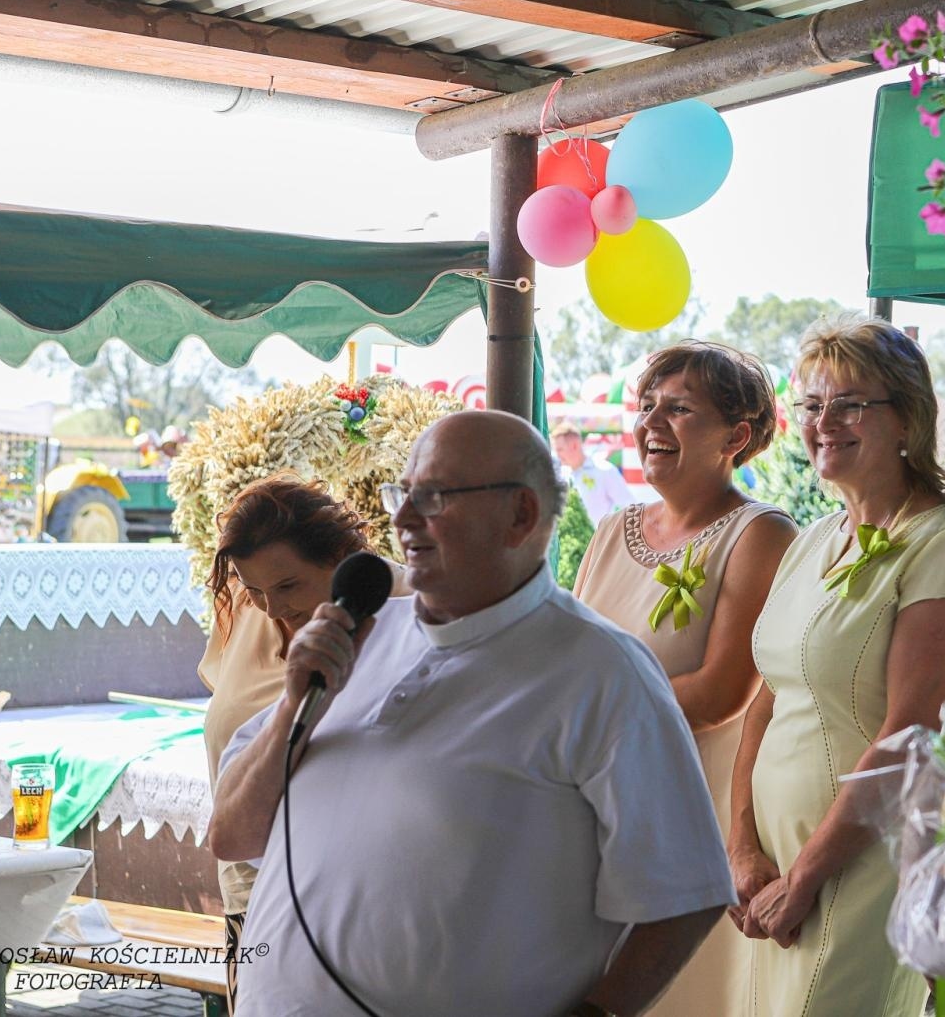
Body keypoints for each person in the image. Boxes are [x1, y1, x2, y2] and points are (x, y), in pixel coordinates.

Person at [207, 410, 735, 1017]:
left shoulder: (603, 672)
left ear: (520, 515)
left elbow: (687, 895)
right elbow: (234, 836)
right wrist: (296, 705)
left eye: (432, 497)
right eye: (401, 494)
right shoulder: (359, 636)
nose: (402, 519)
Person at [730, 316, 945, 1016]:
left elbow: (911, 731)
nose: (825, 422)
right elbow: (767, 697)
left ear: (907, 418)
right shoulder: (813, 537)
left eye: (850, 404)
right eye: (813, 405)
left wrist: (807, 876)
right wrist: (741, 847)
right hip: (771, 865)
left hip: (860, 860)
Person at [573, 341, 797, 1016]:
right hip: (595, 797)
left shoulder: (761, 534)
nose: (650, 424)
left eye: (679, 410)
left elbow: (724, 692)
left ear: (737, 436)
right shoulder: (613, 531)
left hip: (687, 802)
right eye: (647, 407)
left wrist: (582, 722)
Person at [196, 476, 408, 1014]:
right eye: (252, 589)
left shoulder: (410, 610)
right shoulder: (247, 613)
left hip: (358, 912)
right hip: (252, 897)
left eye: (288, 586)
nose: (270, 608)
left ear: (342, 556)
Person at [553, 419, 635, 524]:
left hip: (601, 538)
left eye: (560, 449)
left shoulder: (604, 470)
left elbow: (629, 506)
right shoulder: (561, 475)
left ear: (575, 446)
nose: (557, 455)